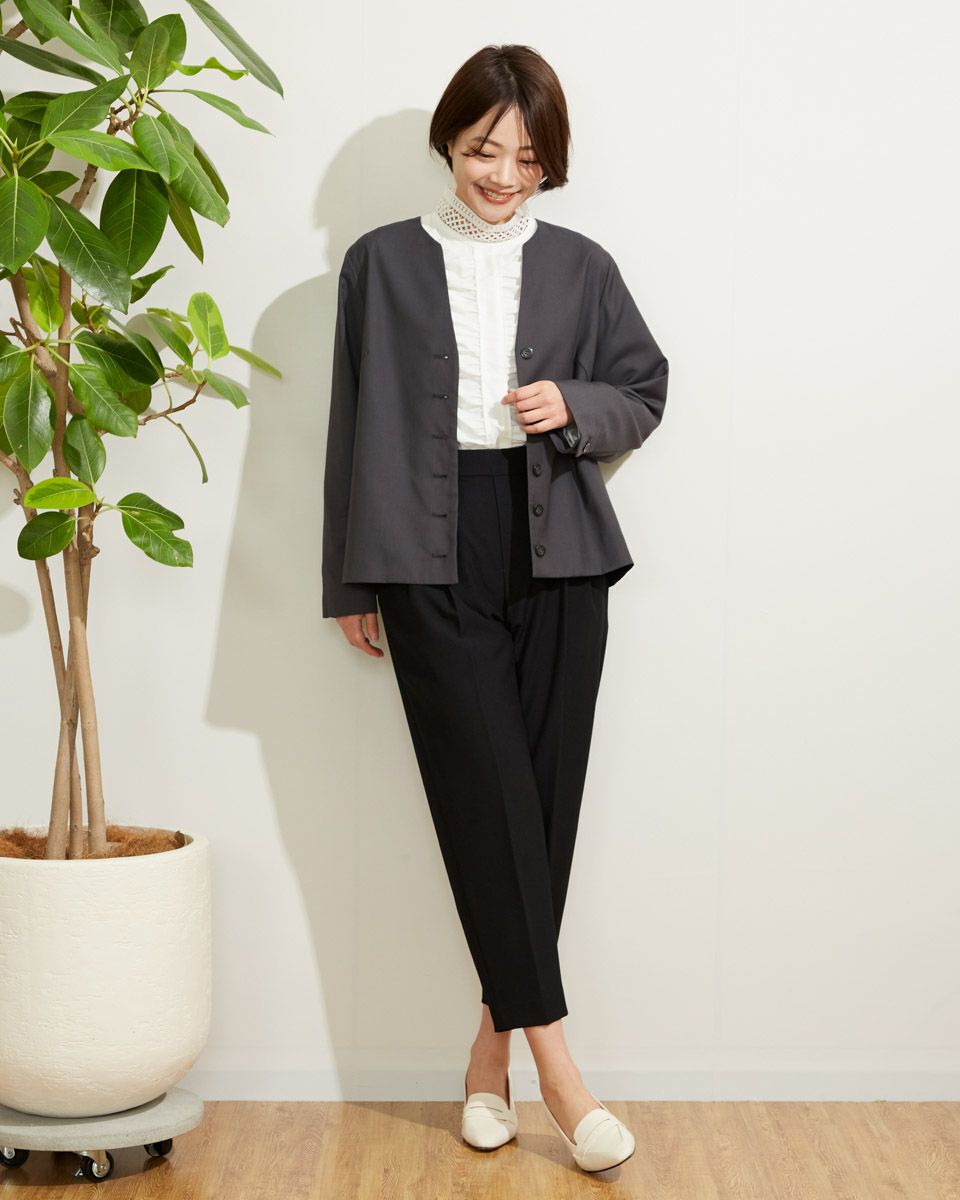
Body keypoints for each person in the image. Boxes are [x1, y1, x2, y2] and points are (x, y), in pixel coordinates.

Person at [322, 44, 668, 1173]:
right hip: (426, 553)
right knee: (486, 806)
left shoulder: (583, 266)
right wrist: (349, 579)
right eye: (485, 150)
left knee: (539, 814)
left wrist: (575, 404)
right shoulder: (378, 263)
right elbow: (350, 421)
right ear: (449, 141)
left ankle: (487, 1059)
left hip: (559, 552)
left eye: (528, 156)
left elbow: (645, 389)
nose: (506, 175)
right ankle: (563, 1077)